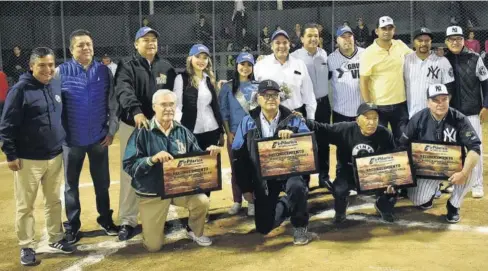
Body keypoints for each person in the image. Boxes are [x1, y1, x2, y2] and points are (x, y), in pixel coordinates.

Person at [0, 47, 74, 266]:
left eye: (51, 64)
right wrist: (11, 154)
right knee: (26, 205)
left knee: (53, 200)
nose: (47, 69)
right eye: (42, 65)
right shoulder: (20, 90)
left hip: (55, 155)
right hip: (28, 158)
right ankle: (26, 245)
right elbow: (7, 125)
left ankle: (56, 238)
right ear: (31, 66)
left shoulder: (55, 84)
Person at [123, 89, 221, 252]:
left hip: (178, 189)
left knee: (202, 200)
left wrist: (208, 153)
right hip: (153, 192)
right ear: (154, 107)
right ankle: (152, 229)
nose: (168, 108)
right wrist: (151, 159)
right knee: (153, 246)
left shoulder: (182, 131)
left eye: (171, 105)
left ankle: (194, 230)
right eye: (163, 104)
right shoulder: (142, 131)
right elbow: (129, 165)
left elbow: (195, 157)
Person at [57, 29, 119, 244]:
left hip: (99, 139)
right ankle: (73, 226)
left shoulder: (104, 70)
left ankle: (106, 220)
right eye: (80, 45)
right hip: (71, 141)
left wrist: (111, 131)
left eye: (89, 44)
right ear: (71, 49)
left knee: (102, 183)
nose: (86, 48)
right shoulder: (61, 71)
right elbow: (56, 107)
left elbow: (113, 102)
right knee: (70, 186)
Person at [232, 79, 312, 245]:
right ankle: (287, 203)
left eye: (274, 95)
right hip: (264, 178)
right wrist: (246, 188)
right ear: (258, 99)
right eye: (265, 95)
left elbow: (309, 146)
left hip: (291, 173)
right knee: (264, 228)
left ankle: (300, 225)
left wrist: (293, 137)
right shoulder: (247, 122)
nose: (270, 98)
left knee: (296, 186)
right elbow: (238, 157)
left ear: (279, 98)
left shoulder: (293, 119)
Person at [115, 26, 177, 241]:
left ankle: (161, 216)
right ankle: (127, 220)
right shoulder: (127, 65)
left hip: (159, 128)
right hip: (133, 126)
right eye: (146, 39)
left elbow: (171, 96)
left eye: (154, 40)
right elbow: (123, 90)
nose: (151, 43)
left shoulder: (166, 67)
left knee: (161, 169)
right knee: (130, 171)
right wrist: (136, 111)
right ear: (136, 44)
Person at [399, 84, 481, 223]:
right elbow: (402, 145)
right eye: (435, 100)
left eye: (444, 99)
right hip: (427, 169)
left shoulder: (459, 118)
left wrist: (464, 173)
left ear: (449, 100)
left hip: (453, 168)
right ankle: (430, 192)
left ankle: (454, 205)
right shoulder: (418, 118)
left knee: (473, 168)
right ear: (428, 102)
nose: (440, 104)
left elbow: (475, 149)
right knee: (419, 200)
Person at [306, 103, 398, 223]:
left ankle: (383, 206)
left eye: (375, 118)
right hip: (348, 171)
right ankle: (340, 210)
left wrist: (392, 181)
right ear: (357, 120)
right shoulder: (345, 129)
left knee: (394, 188)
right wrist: (305, 121)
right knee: (339, 189)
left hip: (373, 173)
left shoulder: (385, 134)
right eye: (367, 118)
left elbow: (393, 158)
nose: (371, 122)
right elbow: (322, 129)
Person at [174, 44, 224, 199]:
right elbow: (178, 106)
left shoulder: (209, 79)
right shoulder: (181, 78)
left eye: (204, 57)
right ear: (190, 59)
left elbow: (215, 106)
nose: (201, 61)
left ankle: (205, 206)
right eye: (198, 57)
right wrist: (178, 131)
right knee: (193, 170)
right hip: (191, 131)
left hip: (211, 129)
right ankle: (195, 206)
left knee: (208, 169)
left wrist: (221, 131)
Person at [444, 26, 488, 198]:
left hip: (471, 111)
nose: (455, 42)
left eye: (459, 39)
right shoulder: (443, 59)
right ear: (447, 42)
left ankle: (477, 184)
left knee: (474, 147)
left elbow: (486, 84)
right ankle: (455, 181)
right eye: (452, 39)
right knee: (453, 149)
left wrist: (486, 105)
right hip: (450, 112)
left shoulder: (475, 58)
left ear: (464, 41)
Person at [291, 23, 331, 188]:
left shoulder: (324, 54)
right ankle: (305, 180)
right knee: (304, 143)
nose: (314, 39)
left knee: (323, 141)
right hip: (303, 107)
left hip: (322, 104)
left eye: (316, 36)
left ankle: (324, 177)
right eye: (310, 36)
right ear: (302, 38)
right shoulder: (294, 57)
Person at [360, 16, 412, 141]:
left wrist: (433, 53)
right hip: (379, 106)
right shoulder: (368, 53)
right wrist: (369, 106)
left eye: (390, 28)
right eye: (383, 28)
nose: (387, 31)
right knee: (381, 142)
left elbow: (416, 57)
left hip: (401, 103)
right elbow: (363, 82)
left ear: (394, 30)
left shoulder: (400, 45)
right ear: (376, 31)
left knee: (403, 141)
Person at [327, 26, 365, 192]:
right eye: (343, 37)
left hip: (361, 112)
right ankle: (343, 180)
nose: (347, 40)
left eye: (350, 36)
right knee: (343, 150)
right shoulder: (331, 59)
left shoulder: (366, 54)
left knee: (362, 148)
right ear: (337, 41)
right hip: (340, 111)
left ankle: (363, 179)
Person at [218, 52, 257, 216]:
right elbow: (224, 112)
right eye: (242, 64)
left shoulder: (257, 85)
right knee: (236, 168)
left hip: (253, 134)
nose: (245, 68)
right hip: (235, 134)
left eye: (249, 65)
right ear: (236, 66)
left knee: (253, 167)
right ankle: (237, 200)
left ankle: (252, 201)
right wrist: (228, 133)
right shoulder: (227, 87)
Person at [254, 29, 317, 121]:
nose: (282, 46)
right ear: (271, 46)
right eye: (277, 43)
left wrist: (311, 118)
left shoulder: (299, 64)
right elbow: (253, 92)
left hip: (295, 115)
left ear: (289, 45)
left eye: (285, 42)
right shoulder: (260, 65)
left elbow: (309, 94)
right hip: (269, 117)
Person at [404, 27, 455, 119]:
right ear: (414, 42)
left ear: (431, 42)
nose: (423, 43)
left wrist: (442, 109)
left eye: (427, 40)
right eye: (420, 40)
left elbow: (450, 88)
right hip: (411, 113)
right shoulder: (406, 60)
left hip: (434, 114)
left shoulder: (442, 61)